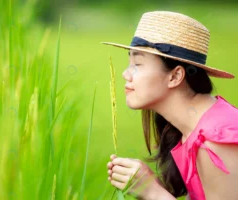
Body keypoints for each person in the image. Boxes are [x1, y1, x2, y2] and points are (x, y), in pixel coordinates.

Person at [102, 11, 238, 200]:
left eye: (138, 64)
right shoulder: (191, 131)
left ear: (175, 76)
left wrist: (153, 192)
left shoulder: (214, 141)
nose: (126, 74)